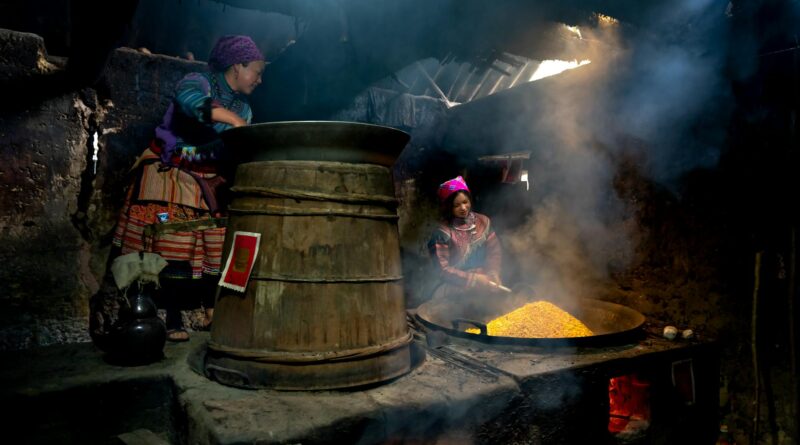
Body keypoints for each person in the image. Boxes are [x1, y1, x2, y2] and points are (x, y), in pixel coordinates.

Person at [111, 35, 266, 342]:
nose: (259, 80)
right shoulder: (199, 81)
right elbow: (191, 103)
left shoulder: (244, 109)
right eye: (257, 72)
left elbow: (225, 139)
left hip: (207, 174)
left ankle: (212, 307)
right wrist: (232, 121)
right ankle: (170, 315)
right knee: (173, 242)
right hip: (171, 168)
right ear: (238, 66)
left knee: (221, 240)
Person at [427, 176, 503, 300]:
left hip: (483, 283)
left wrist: (493, 272)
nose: (463, 208)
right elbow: (442, 270)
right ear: (448, 207)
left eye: (465, 202)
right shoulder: (441, 233)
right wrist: (474, 279)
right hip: (452, 288)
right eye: (456, 205)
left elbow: (494, 252)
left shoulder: (483, 221)